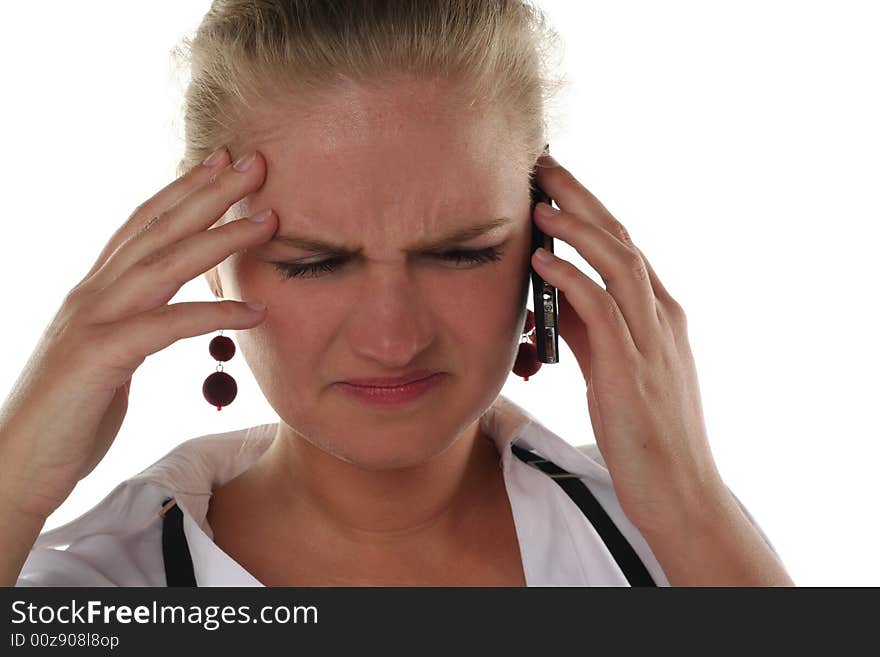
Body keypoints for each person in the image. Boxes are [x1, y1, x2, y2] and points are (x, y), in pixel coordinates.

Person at [1, 0, 793, 587]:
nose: (393, 337)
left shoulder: (677, 545)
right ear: (202, 249)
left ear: (543, 239)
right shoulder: (93, 587)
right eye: (313, 262)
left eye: (461, 252)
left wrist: (689, 509)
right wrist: (12, 480)